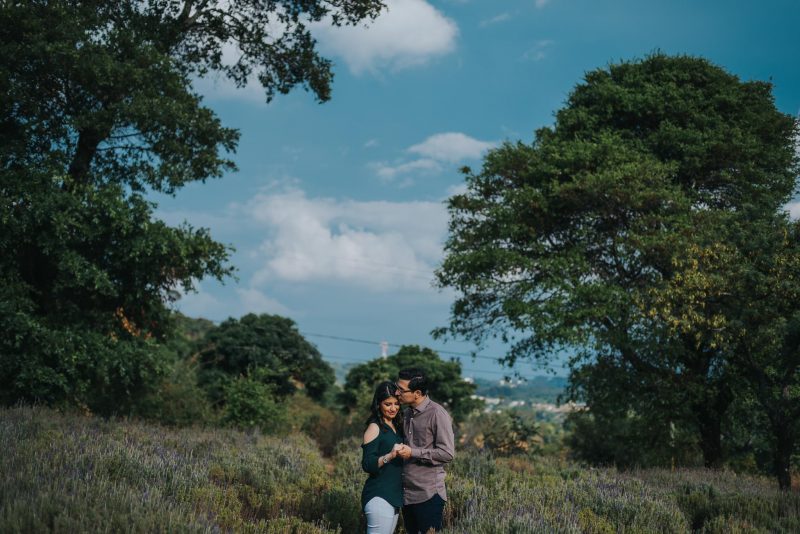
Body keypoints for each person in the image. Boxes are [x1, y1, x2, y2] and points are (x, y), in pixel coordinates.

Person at [393, 369, 455, 534]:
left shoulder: (437, 414)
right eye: (396, 388)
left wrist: (413, 452)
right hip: (407, 495)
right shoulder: (406, 414)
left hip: (428, 496)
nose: (397, 393)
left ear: (417, 393)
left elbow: (447, 453)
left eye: (401, 390)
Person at [361, 381, 405, 534]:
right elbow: (367, 464)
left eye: (396, 403)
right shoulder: (374, 427)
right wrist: (390, 456)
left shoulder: (397, 426)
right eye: (388, 404)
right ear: (378, 404)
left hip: (394, 497)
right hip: (379, 497)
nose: (393, 408)